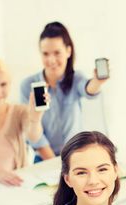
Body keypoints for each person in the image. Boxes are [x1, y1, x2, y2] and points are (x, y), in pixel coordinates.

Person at [21, 22, 110, 160]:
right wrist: (56, 163)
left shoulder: (76, 78)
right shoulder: (28, 86)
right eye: (45, 54)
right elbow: (33, 136)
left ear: (68, 51)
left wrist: (98, 81)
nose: (51, 60)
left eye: (57, 53)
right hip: (45, 158)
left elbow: (88, 89)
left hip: (76, 155)